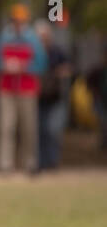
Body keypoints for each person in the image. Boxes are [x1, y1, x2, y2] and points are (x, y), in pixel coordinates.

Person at [0, 3, 47, 173]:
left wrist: (24, 67)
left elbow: (41, 64)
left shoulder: (33, 40)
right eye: (15, 20)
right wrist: (5, 66)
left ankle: (29, 162)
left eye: (21, 21)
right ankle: (4, 164)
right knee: (6, 126)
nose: (18, 24)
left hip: (27, 89)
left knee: (28, 127)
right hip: (6, 88)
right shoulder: (3, 38)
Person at [35, 21, 72, 174]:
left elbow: (68, 68)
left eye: (45, 36)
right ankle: (41, 162)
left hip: (55, 97)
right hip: (38, 97)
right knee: (40, 130)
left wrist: (58, 72)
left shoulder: (57, 51)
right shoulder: (35, 52)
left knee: (53, 129)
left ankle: (53, 161)